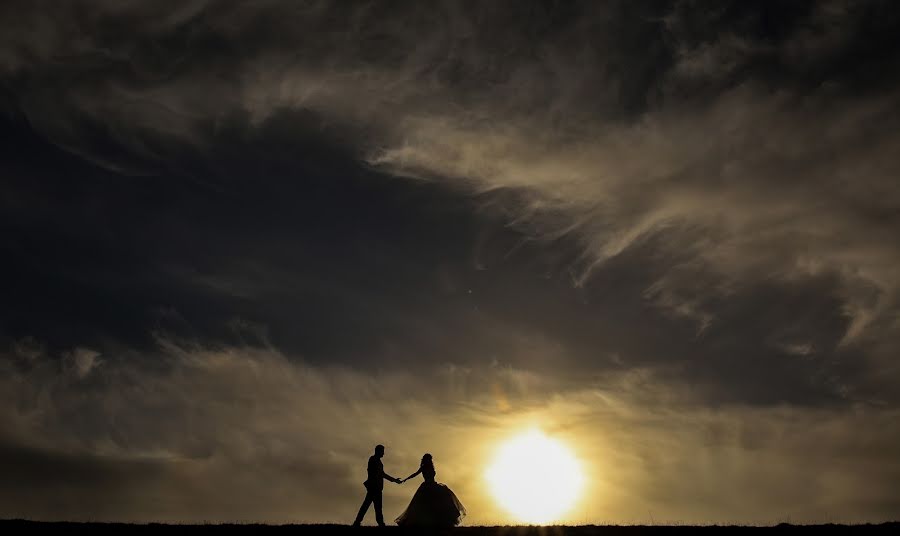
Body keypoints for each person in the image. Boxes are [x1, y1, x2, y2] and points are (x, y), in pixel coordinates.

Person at [395, 453, 466, 527]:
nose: (430, 460)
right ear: (426, 460)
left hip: (433, 484)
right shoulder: (424, 467)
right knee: (425, 505)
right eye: (429, 459)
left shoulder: (431, 467)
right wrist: (406, 479)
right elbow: (415, 474)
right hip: (427, 486)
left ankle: (438, 521)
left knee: (441, 501)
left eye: (430, 459)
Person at [353, 444, 402, 526]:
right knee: (371, 506)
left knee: (373, 506)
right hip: (374, 487)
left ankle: (374, 522)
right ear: (378, 451)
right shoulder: (373, 460)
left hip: (377, 487)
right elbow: (375, 473)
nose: (383, 453)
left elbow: (382, 474)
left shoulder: (378, 461)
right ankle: (376, 523)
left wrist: (394, 480)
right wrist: (393, 480)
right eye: (382, 451)